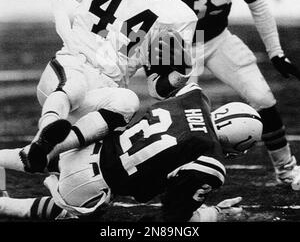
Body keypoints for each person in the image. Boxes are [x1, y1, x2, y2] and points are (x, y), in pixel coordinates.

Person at [23, 0, 198, 172]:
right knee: (74, 87)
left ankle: (49, 148)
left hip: (106, 88)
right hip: (70, 66)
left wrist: (181, 73)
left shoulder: (177, 15)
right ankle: (47, 130)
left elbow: (157, 90)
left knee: (128, 101)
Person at [172, 0, 300, 190]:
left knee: (264, 98)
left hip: (218, 38)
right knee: (183, 116)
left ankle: (286, 170)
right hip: (178, 46)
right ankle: (175, 177)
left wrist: (276, 52)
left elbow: (257, 4)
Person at [0, 83, 262, 222]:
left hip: (89, 147)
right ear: (240, 144)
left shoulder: (193, 95)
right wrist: (214, 214)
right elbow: (173, 215)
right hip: (87, 186)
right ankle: (4, 205)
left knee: (29, 158)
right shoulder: (210, 160)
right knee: (66, 212)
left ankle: (44, 147)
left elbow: (164, 81)